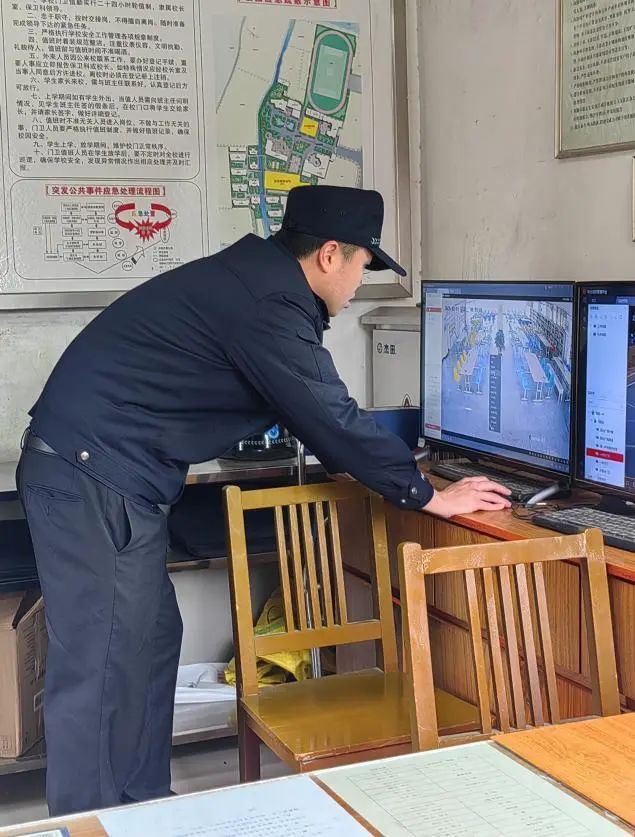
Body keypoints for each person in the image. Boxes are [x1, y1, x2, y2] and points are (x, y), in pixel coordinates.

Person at [16, 186, 510, 816]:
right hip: (91, 475)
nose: (360, 281)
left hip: (111, 475)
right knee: (103, 661)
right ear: (329, 254)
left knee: (149, 640)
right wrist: (426, 494)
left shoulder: (257, 280)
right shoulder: (268, 301)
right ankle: (86, 823)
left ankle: (142, 809)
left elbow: (315, 409)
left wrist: (392, 468)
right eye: (363, 264)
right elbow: (327, 412)